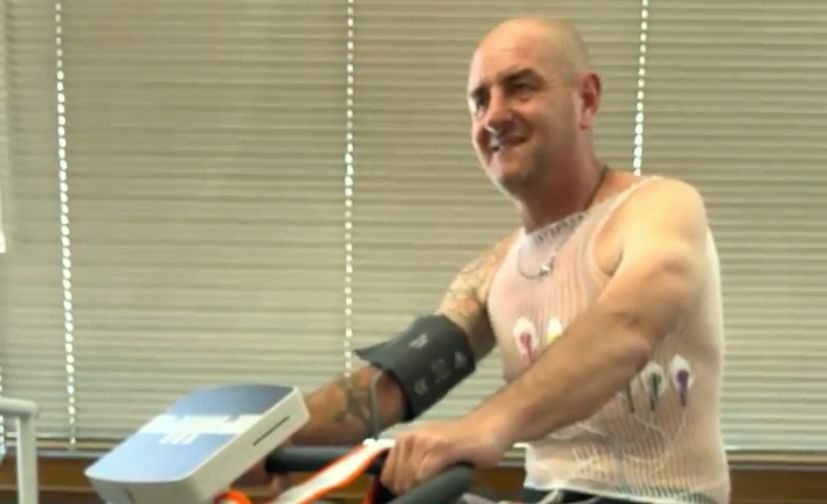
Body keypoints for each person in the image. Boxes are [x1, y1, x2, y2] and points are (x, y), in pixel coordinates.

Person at [245, 17, 730, 504]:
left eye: (521, 88)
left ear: (586, 100)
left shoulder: (660, 208)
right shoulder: (492, 271)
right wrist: (264, 441)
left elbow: (627, 327)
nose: (494, 116)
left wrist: (484, 426)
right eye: (480, 100)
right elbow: (390, 386)